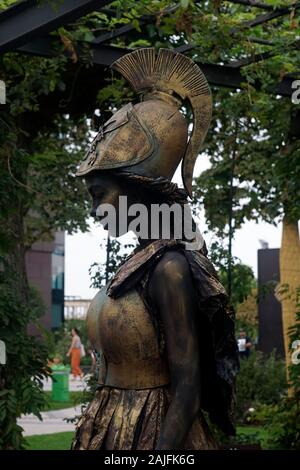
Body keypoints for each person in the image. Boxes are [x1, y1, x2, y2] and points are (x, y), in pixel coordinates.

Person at [72, 48, 239, 450]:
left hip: (154, 434)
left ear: (137, 189)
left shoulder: (170, 268)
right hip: (113, 428)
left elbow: (187, 391)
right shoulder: (137, 264)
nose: (95, 211)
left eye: (100, 195)